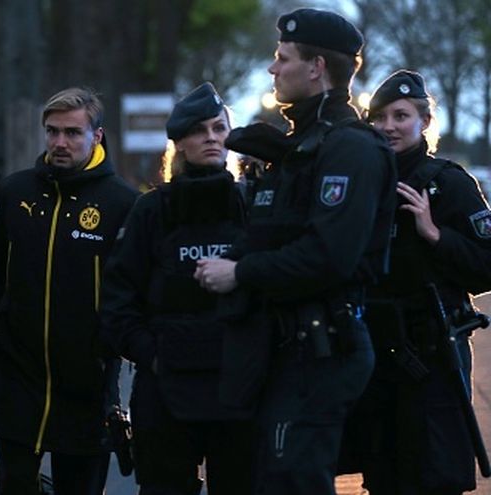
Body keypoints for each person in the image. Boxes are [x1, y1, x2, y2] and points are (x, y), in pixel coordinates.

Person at [194, 8, 397, 495]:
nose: (272, 68)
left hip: (322, 347)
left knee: (293, 481)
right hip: (288, 345)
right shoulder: (302, 146)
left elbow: (329, 256)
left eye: (283, 58)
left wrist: (240, 273)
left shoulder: (349, 149)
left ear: (316, 68)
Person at [0, 87, 137, 495]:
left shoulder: (123, 203)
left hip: (86, 385)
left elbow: (130, 293)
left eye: (72, 132)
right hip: (19, 377)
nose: (60, 142)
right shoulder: (16, 192)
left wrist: (111, 352)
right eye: (52, 131)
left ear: (96, 136)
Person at [339, 69, 491, 495]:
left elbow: (487, 265)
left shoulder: (450, 183)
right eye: (379, 117)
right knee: (382, 475)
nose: (388, 126)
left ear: (424, 121)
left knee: (434, 474)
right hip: (375, 355)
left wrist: (436, 235)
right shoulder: (362, 184)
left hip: (432, 356)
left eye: (400, 116)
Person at [101, 82, 254, 494]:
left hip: (238, 388)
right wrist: (151, 354)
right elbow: (117, 299)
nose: (212, 138)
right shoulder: (152, 210)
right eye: (200, 130)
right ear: (180, 142)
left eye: (219, 128)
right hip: (167, 389)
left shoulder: (250, 204)